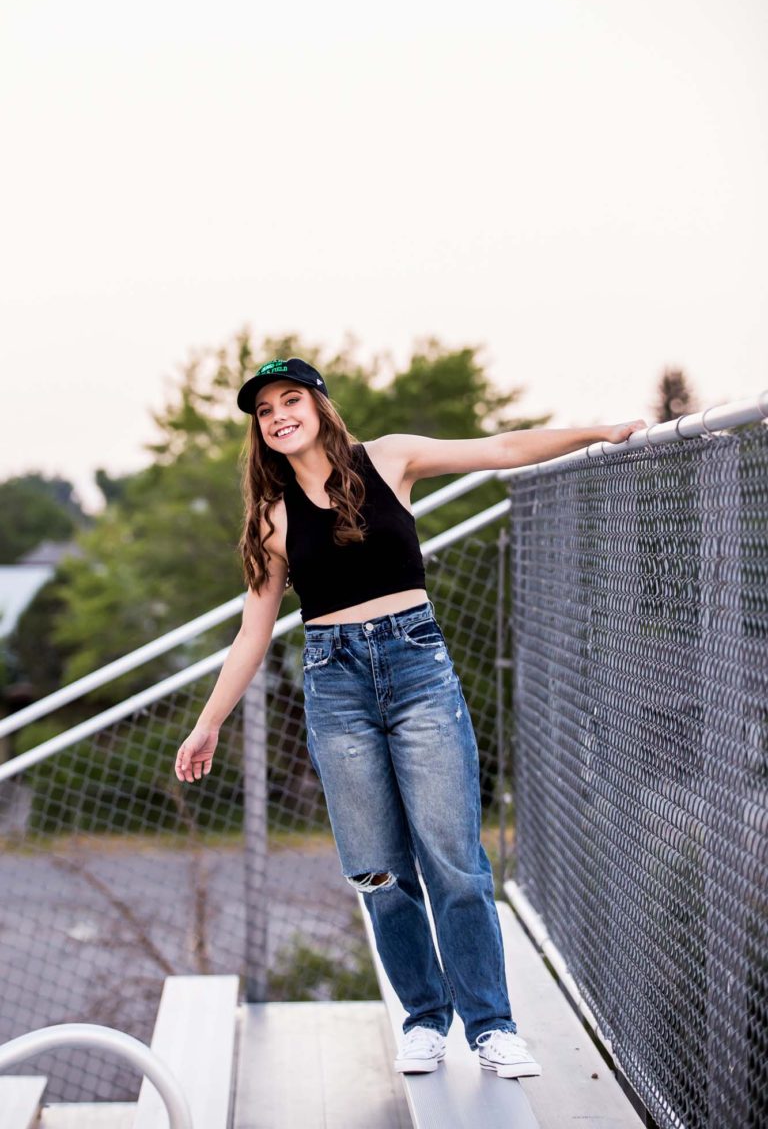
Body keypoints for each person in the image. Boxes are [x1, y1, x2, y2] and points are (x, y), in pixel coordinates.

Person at [175, 356, 645, 1078]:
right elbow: (253, 630)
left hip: (417, 669)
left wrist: (604, 432)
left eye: (289, 400)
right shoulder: (272, 521)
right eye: (264, 411)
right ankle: (424, 1018)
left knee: (454, 860)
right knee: (376, 871)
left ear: (320, 405)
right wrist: (208, 722)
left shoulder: (390, 459)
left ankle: (491, 1026)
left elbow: (503, 449)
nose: (277, 417)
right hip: (336, 687)